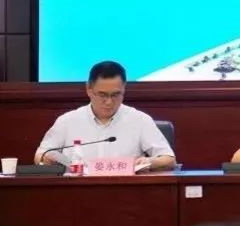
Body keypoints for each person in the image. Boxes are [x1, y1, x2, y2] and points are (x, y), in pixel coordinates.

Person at [34, 60, 176, 171]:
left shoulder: (140, 120)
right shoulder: (67, 121)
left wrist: (150, 161)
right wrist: (49, 159)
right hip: (76, 192)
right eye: (102, 95)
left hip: (125, 192)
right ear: (89, 89)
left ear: (124, 89)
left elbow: (169, 159)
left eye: (115, 95)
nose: (109, 102)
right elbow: (40, 155)